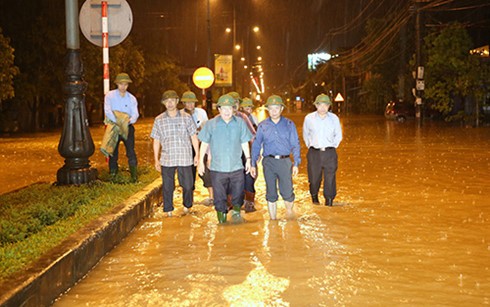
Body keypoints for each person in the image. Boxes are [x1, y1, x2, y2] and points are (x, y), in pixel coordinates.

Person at [198, 94, 253, 223]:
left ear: (234, 109)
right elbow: (204, 143)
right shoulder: (211, 124)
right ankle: (222, 221)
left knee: (239, 193)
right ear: (219, 109)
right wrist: (201, 161)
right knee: (219, 197)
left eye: (230, 108)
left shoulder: (240, 123)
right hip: (217, 168)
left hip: (236, 166)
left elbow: (244, 142)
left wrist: (249, 160)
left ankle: (236, 214)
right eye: (224, 108)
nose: (227, 111)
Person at [250, 94, 301, 219]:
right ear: (267, 109)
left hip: (285, 162)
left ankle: (289, 215)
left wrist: (296, 163)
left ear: (281, 109)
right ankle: (273, 221)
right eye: (271, 108)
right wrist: (252, 164)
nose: (273, 111)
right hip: (269, 162)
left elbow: (295, 144)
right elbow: (256, 145)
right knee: (271, 192)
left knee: (287, 191)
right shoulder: (262, 126)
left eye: (276, 108)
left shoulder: (289, 124)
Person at [151, 90, 199, 217]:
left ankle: (187, 206)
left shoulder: (187, 118)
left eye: (172, 100)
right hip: (167, 158)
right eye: (167, 101)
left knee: (188, 185)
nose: (170, 103)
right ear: (164, 103)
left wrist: (197, 155)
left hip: (185, 157)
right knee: (167, 186)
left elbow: (194, 137)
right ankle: (168, 211)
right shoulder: (159, 120)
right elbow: (156, 141)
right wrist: (156, 159)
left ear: (177, 102)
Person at [302, 93, 343, 206]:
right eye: (320, 105)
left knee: (330, 178)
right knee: (314, 179)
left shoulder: (334, 118)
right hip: (314, 152)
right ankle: (314, 197)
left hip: (330, 152)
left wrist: (331, 146)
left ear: (329, 106)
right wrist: (311, 145)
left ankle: (329, 201)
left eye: (325, 105)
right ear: (316, 105)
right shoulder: (309, 118)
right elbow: (305, 134)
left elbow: (338, 135)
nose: (323, 107)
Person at [104, 72, 139, 182]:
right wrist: (118, 121)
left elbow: (135, 114)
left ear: (128, 85)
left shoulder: (132, 98)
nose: (123, 87)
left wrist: (128, 121)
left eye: (125, 84)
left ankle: (134, 176)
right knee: (113, 151)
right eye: (121, 84)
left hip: (128, 127)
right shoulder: (110, 96)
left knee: (130, 151)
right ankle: (113, 174)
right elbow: (107, 110)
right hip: (114, 126)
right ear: (117, 84)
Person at [180, 90, 213, 206]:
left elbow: (207, 128)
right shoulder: (180, 115)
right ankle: (190, 199)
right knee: (189, 172)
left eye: (192, 102)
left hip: (201, 144)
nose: (190, 105)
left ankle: (212, 197)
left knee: (205, 171)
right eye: (187, 103)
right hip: (186, 147)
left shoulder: (201, 113)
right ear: (183, 103)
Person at [227, 91, 257, 213]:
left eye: (236, 102)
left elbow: (252, 137)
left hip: (243, 153)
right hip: (227, 154)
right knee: (228, 179)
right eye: (231, 102)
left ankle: (249, 202)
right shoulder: (218, 118)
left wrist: (254, 156)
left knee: (248, 177)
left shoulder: (243, 117)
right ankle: (230, 203)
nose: (234, 105)